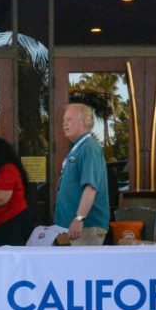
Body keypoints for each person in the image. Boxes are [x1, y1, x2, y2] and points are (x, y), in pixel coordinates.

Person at [54, 103, 110, 245]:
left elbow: (90, 188)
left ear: (85, 122)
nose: (64, 124)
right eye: (64, 120)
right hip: (74, 227)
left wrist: (79, 218)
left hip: (86, 227)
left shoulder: (89, 147)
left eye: (70, 119)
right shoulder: (78, 148)